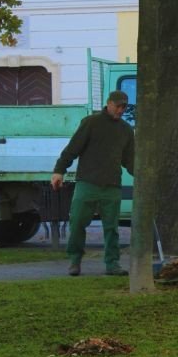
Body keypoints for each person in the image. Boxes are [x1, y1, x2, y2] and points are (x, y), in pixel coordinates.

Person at [51, 90, 135, 276]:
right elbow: (73, 148)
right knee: (77, 222)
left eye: (124, 107)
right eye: (118, 106)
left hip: (112, 185)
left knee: (111, 228)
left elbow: (130, 160)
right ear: (109, 103)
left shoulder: (126, 130)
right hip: (87, 182)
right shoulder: (91, 123)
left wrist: (142, 175)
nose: (121, 110)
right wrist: (59, 170)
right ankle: (75, 260)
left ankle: (112, 264)